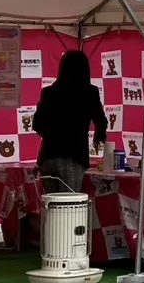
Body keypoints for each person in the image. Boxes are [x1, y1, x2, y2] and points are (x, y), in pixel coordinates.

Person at [33, 50, 106, 193]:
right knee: (69, 209)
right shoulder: (89, 92)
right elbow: (100, 120)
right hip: (74, 156)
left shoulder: (49, 92)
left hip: (48, 156)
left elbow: (37, 124)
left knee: (51, 207)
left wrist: (52, 135)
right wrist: (99, 137)